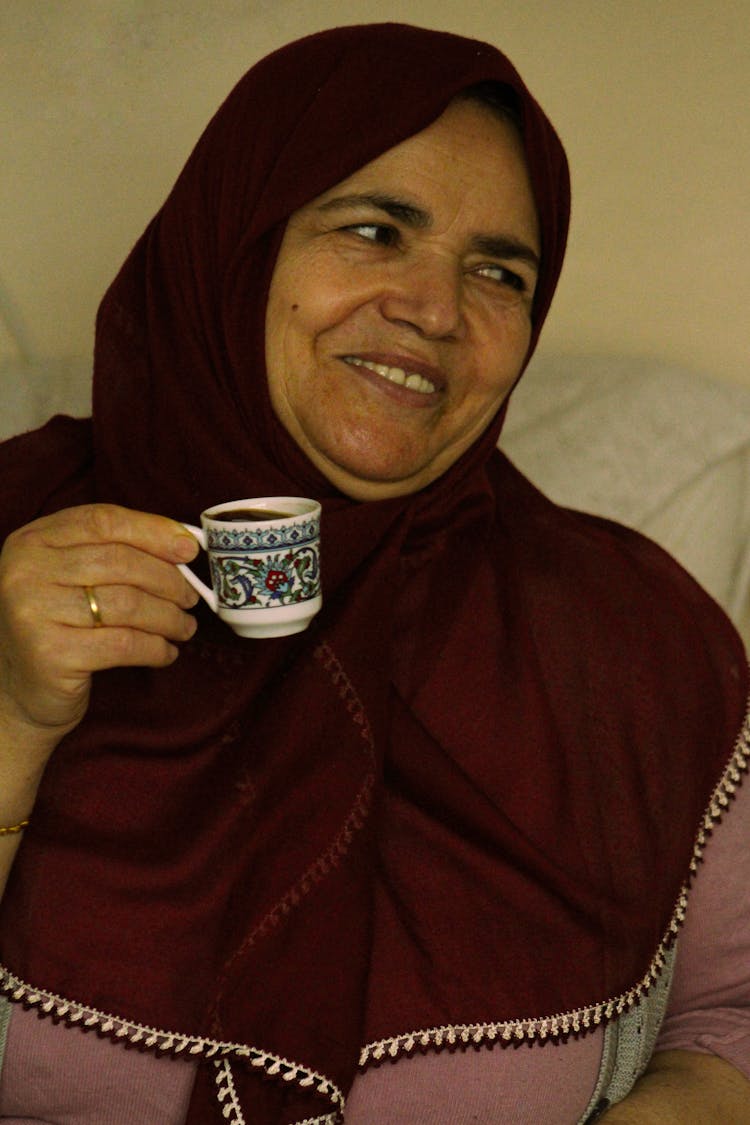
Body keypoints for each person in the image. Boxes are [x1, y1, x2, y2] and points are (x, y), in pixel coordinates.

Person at [0, 22, 748, 1125]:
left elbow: (733, 1011)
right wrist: (13, 718)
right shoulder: (16, 543)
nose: (437, 312)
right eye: (373, 229)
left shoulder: (628, 637)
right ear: (238, 244)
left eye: (499, 271)